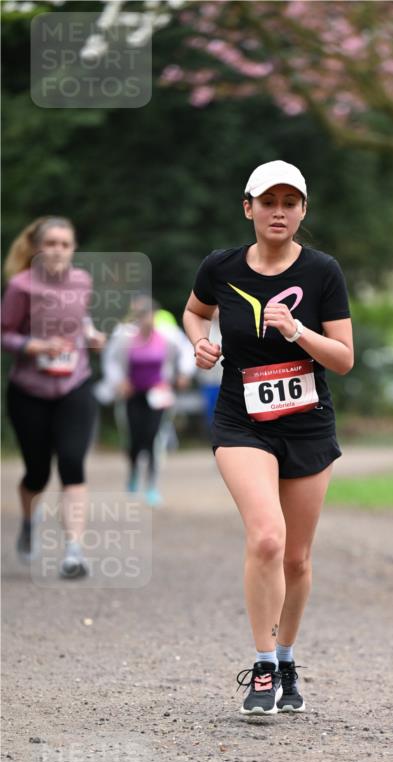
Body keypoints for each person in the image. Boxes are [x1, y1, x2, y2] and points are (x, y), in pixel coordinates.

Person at [183, 160, 354, 716]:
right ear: (248, 208)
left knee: (298, 560)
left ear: (304, 210)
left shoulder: (323, 272)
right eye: (268, 201)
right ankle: (261, 670)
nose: (278, 211)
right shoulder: (221, 266)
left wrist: (298, 331)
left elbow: (345, 360)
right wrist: (200, 343)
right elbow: (194, 312)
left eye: (290, 202)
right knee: (266, 539)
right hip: (242, 421)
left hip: (307, 423)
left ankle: (285, 660)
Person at [1, 216, 106, 578]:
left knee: (73, 463)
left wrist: (92, 335)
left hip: (75, 385)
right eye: (52, 243)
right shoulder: (21, 286)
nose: (59, 250)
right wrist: (35, 345)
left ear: (73, 248)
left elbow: (82, 321)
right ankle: (30, 521)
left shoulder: (82, 281)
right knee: (37, 472)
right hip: (29, 391)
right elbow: (5, 334)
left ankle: (74, 553)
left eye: (65, 244)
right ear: (37, 248)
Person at [97, 295, 194, 505]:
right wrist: (119, 382)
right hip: (133, 393)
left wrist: (183, 373)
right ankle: (133, 473)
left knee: (153, 438)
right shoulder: (125, 336)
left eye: (149, 315)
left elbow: (186, 351)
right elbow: (110, 360)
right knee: (134, 438)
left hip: (158, 393)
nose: (145, 320)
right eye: (141, 316)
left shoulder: (167, 335)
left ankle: (151, 485)